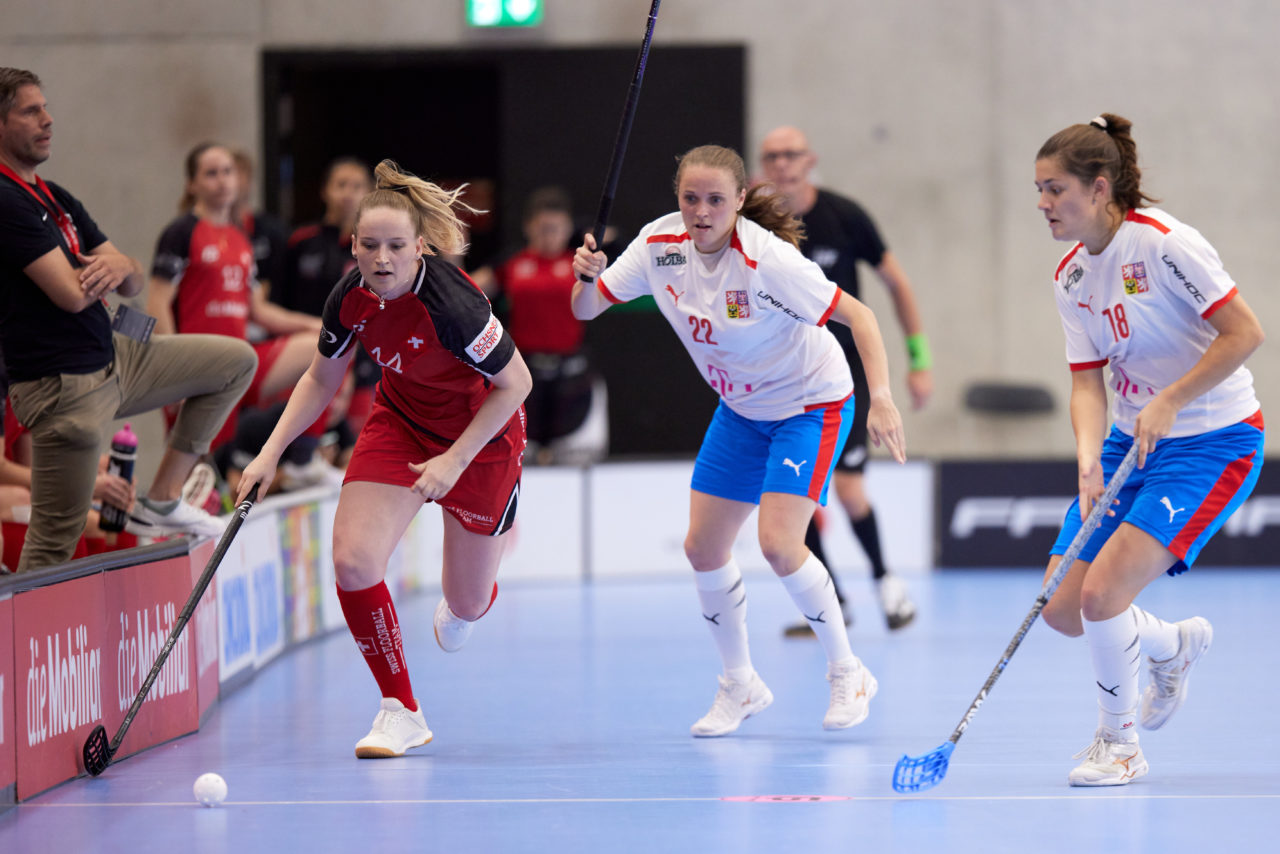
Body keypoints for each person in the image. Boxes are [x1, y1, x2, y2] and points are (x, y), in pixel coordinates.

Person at [572, 144, 907, 736]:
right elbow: (587, 309)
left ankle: (848, 670)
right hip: (741, 409)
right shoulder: (658, 245)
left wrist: (881, 397)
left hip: (811, 402)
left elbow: (861, 316)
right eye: (690, 199)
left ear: (739, 202)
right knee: (702, 548)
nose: (702, 212)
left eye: (716, 200)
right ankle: (740, 684)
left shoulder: (767, 261)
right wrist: (586, 278)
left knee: (779, 544)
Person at [236, 159, 531, 759]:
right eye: (369, 245)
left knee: (467, 605)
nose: (383, 259)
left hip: (482, 437)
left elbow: (516, 384)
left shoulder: (453, 304)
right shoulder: (350, 297)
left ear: (420, 247)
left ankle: (479, 579)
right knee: (352, 560)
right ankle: (401, 709)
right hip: (400, 422)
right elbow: (321, 380)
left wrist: (453, 461)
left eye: (397, 245)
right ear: (353, 246)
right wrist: (268, 455)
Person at [1034, 114, 1264, 786]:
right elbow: (1086, 381)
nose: (1043, 204)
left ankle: (1120, 745)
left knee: (1102, 596)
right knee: (1060, 607)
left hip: (1211, 440)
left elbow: (1244, 333)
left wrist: (1172, 398)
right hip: (1126, 441)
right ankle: (1170, 645)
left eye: (1055, 190)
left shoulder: (1165, 246)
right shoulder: (1072, 277)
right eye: (1038, 191)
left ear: (1100, 187)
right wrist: (1085, 458)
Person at [0, 68, 257, 571]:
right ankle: (29, 648)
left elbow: (132, 277)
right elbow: (73, 295)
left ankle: (162, 496)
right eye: (31, 111)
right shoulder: (6, 201)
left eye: (46, 107)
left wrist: (122, 266)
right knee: (56, 537)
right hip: (64, 385)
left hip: (118, 357)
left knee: (234, 361)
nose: (48, 119)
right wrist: (110, 268)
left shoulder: (55, 198)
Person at [759, 125, 932, 634]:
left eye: (791, 155)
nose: (783, 164)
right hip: (782, 377)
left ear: (809, 160)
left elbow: (895, 283)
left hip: (844, 376)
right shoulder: (754, 226)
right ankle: (832, 602)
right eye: (772, 157)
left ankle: (886, 584)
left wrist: (917, 359)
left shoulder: (844, 215)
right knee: (795, 495)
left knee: (851, 489)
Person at [147, 142, 337, 486]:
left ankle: (302, 457)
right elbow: (157, 302)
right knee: (197, 476)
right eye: (211, 173)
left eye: (227, 172)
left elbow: (258, 311)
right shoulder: (181, 232)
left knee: (325, 345)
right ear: (192, 184)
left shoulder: (241, 239)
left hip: (242, 362)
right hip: (199, 366)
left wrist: (321, 323)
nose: (222, 181)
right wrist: (171, 372)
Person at [486, 186, 601, 464]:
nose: (549, 235)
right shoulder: (512, 263)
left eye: (556, 228)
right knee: (516, 455)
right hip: (523, 375)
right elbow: (468, 290)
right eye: (543, 228)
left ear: (568, 228)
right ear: (528, 227)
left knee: (576, 459)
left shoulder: (580, 263)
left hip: (571, 378)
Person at [231, 148, 290, 302]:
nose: (231, 181)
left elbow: (276, 285)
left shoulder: (273, 230)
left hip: (263, 316)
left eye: (238, 173)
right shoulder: (198, 230)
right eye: (228, 173)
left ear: (249, 180)